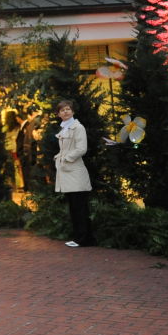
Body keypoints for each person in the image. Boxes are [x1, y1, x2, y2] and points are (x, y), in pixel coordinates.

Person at [54, 100, 95, 247]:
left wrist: (66, 158)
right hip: (67, 172)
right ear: (58, 114)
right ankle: (79, 237)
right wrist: (59, 157)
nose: (65, 112)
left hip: (75, 172)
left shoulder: (78, 127)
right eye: (62, 110)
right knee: (74, 207)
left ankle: (84, 239)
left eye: (68, 109)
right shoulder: (64, 128)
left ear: (73, 111)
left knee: (80, 207)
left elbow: (81, 148)